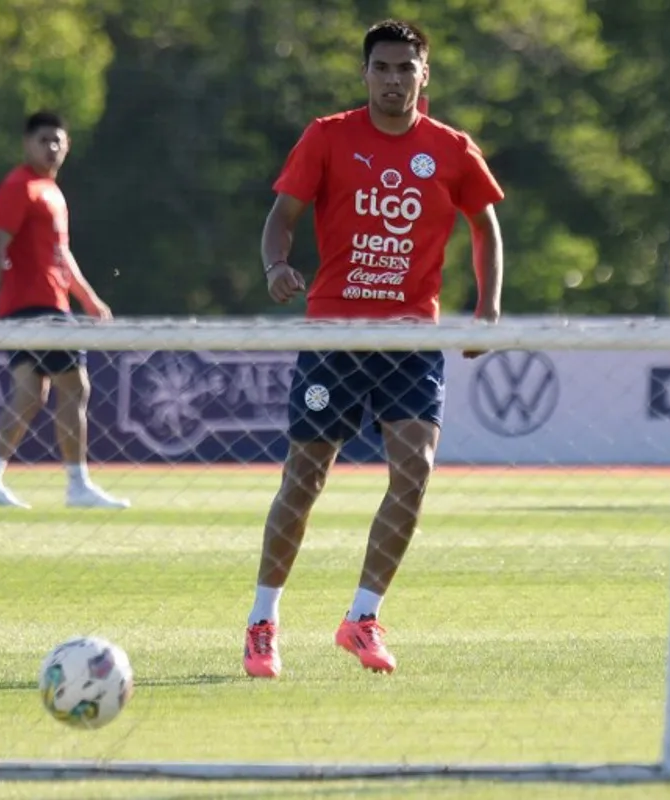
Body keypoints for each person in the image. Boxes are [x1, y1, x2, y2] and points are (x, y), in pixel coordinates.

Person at [243, 20, 505, 678]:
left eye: (405, 69)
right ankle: (263, 621)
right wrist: (277, 264)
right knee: (303, 480)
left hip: (410, 338)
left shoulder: (450, 150)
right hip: (335, 334)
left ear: (425, 76)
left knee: (414, 471)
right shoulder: (328, 137)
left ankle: (362, 616)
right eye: (382, 68)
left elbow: (486, 228)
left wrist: (487, 310)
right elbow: (282, 215)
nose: (393, 79)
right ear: (365, 74)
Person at [0, 111, 129, 511]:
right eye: (43, 140)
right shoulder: (19, 186)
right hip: (35, 306)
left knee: (31, 394)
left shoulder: (52, 192)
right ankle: (77, 485)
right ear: (27, 144)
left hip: (47, 304)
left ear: (68, 146)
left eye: (58, 141)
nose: (52, 148)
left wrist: (88, 299)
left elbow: (61, 256)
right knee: (75, 387)